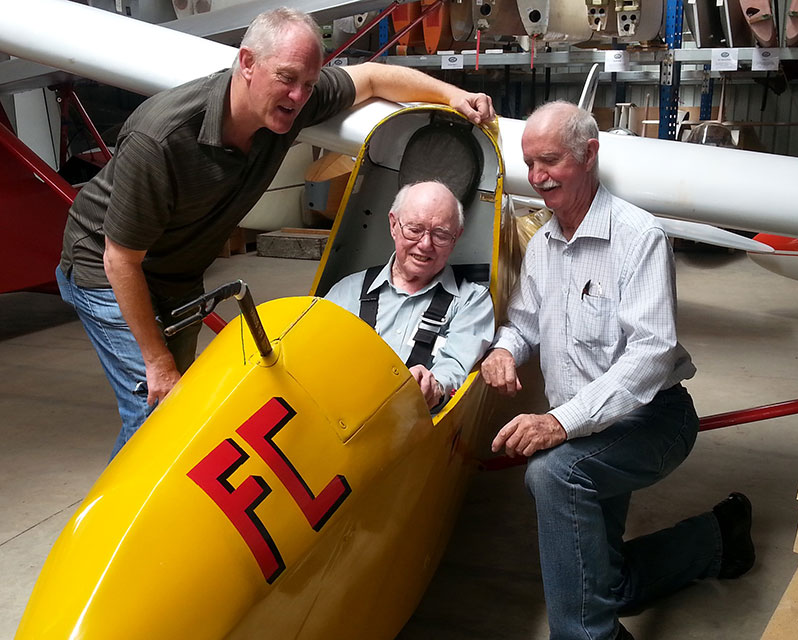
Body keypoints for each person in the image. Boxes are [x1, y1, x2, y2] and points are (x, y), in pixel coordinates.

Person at [55, 8, 496, 459]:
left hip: (177, 272)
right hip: (109, 268)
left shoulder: (291, 100)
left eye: (309, 82)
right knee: (158, 410)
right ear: (246, 63)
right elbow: (119, 259)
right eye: (287, 78)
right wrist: (158, 363)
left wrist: (453, 94)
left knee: (178, 414)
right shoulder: (162, 139)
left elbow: (372, 78)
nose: (299, 95)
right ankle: (124, 527)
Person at [480, 101, 755, 640]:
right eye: (529, 163)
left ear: (590, 155)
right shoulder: (541, 246)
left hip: (653, 419)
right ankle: (718, 539)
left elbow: (652, 353)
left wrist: (560, 424)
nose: (537, 177)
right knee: (600, 584)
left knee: (552, 475)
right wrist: (505, 349)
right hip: (586, 427)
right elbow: (524, 324)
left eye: (550, 161)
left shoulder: (639, 237)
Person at [325, 181, 494, 411]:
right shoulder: (347, 291)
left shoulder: (471, 301)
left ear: (457, 237)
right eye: (414, 230)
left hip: (416, 431)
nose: (425, 245)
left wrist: (433, 387)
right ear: (393, 225)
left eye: (441, 235)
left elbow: (454, 367)